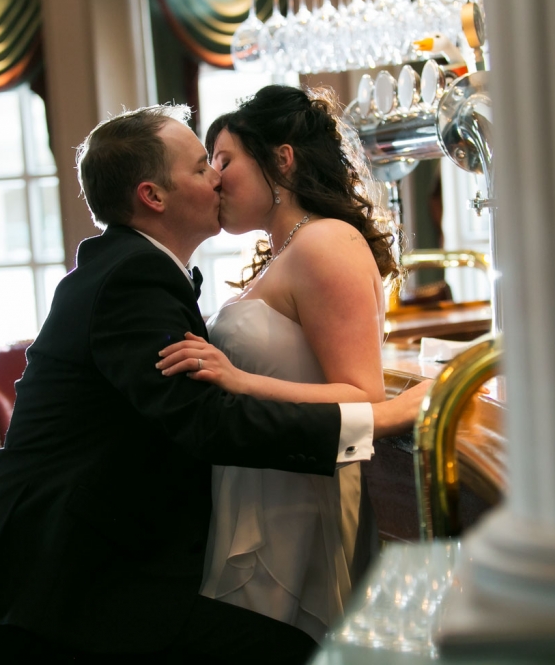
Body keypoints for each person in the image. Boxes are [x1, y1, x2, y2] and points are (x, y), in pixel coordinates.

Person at [0, 103, 426, 665]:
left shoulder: (136, 269)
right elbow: (210, 421)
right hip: (57, 592)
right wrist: (378, 419)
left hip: (80, 570)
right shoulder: (131, 276)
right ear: (153, 196)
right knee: (291, 653)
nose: (218, 177)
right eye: (203, 166)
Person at [154, 84, 396, 643]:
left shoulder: (325, 242)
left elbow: (363, 395)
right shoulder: (287, 252)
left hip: (296, 502)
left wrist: (239, 380)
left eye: (224, 159)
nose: (214, 177)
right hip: (260, 488)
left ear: (280, 159)